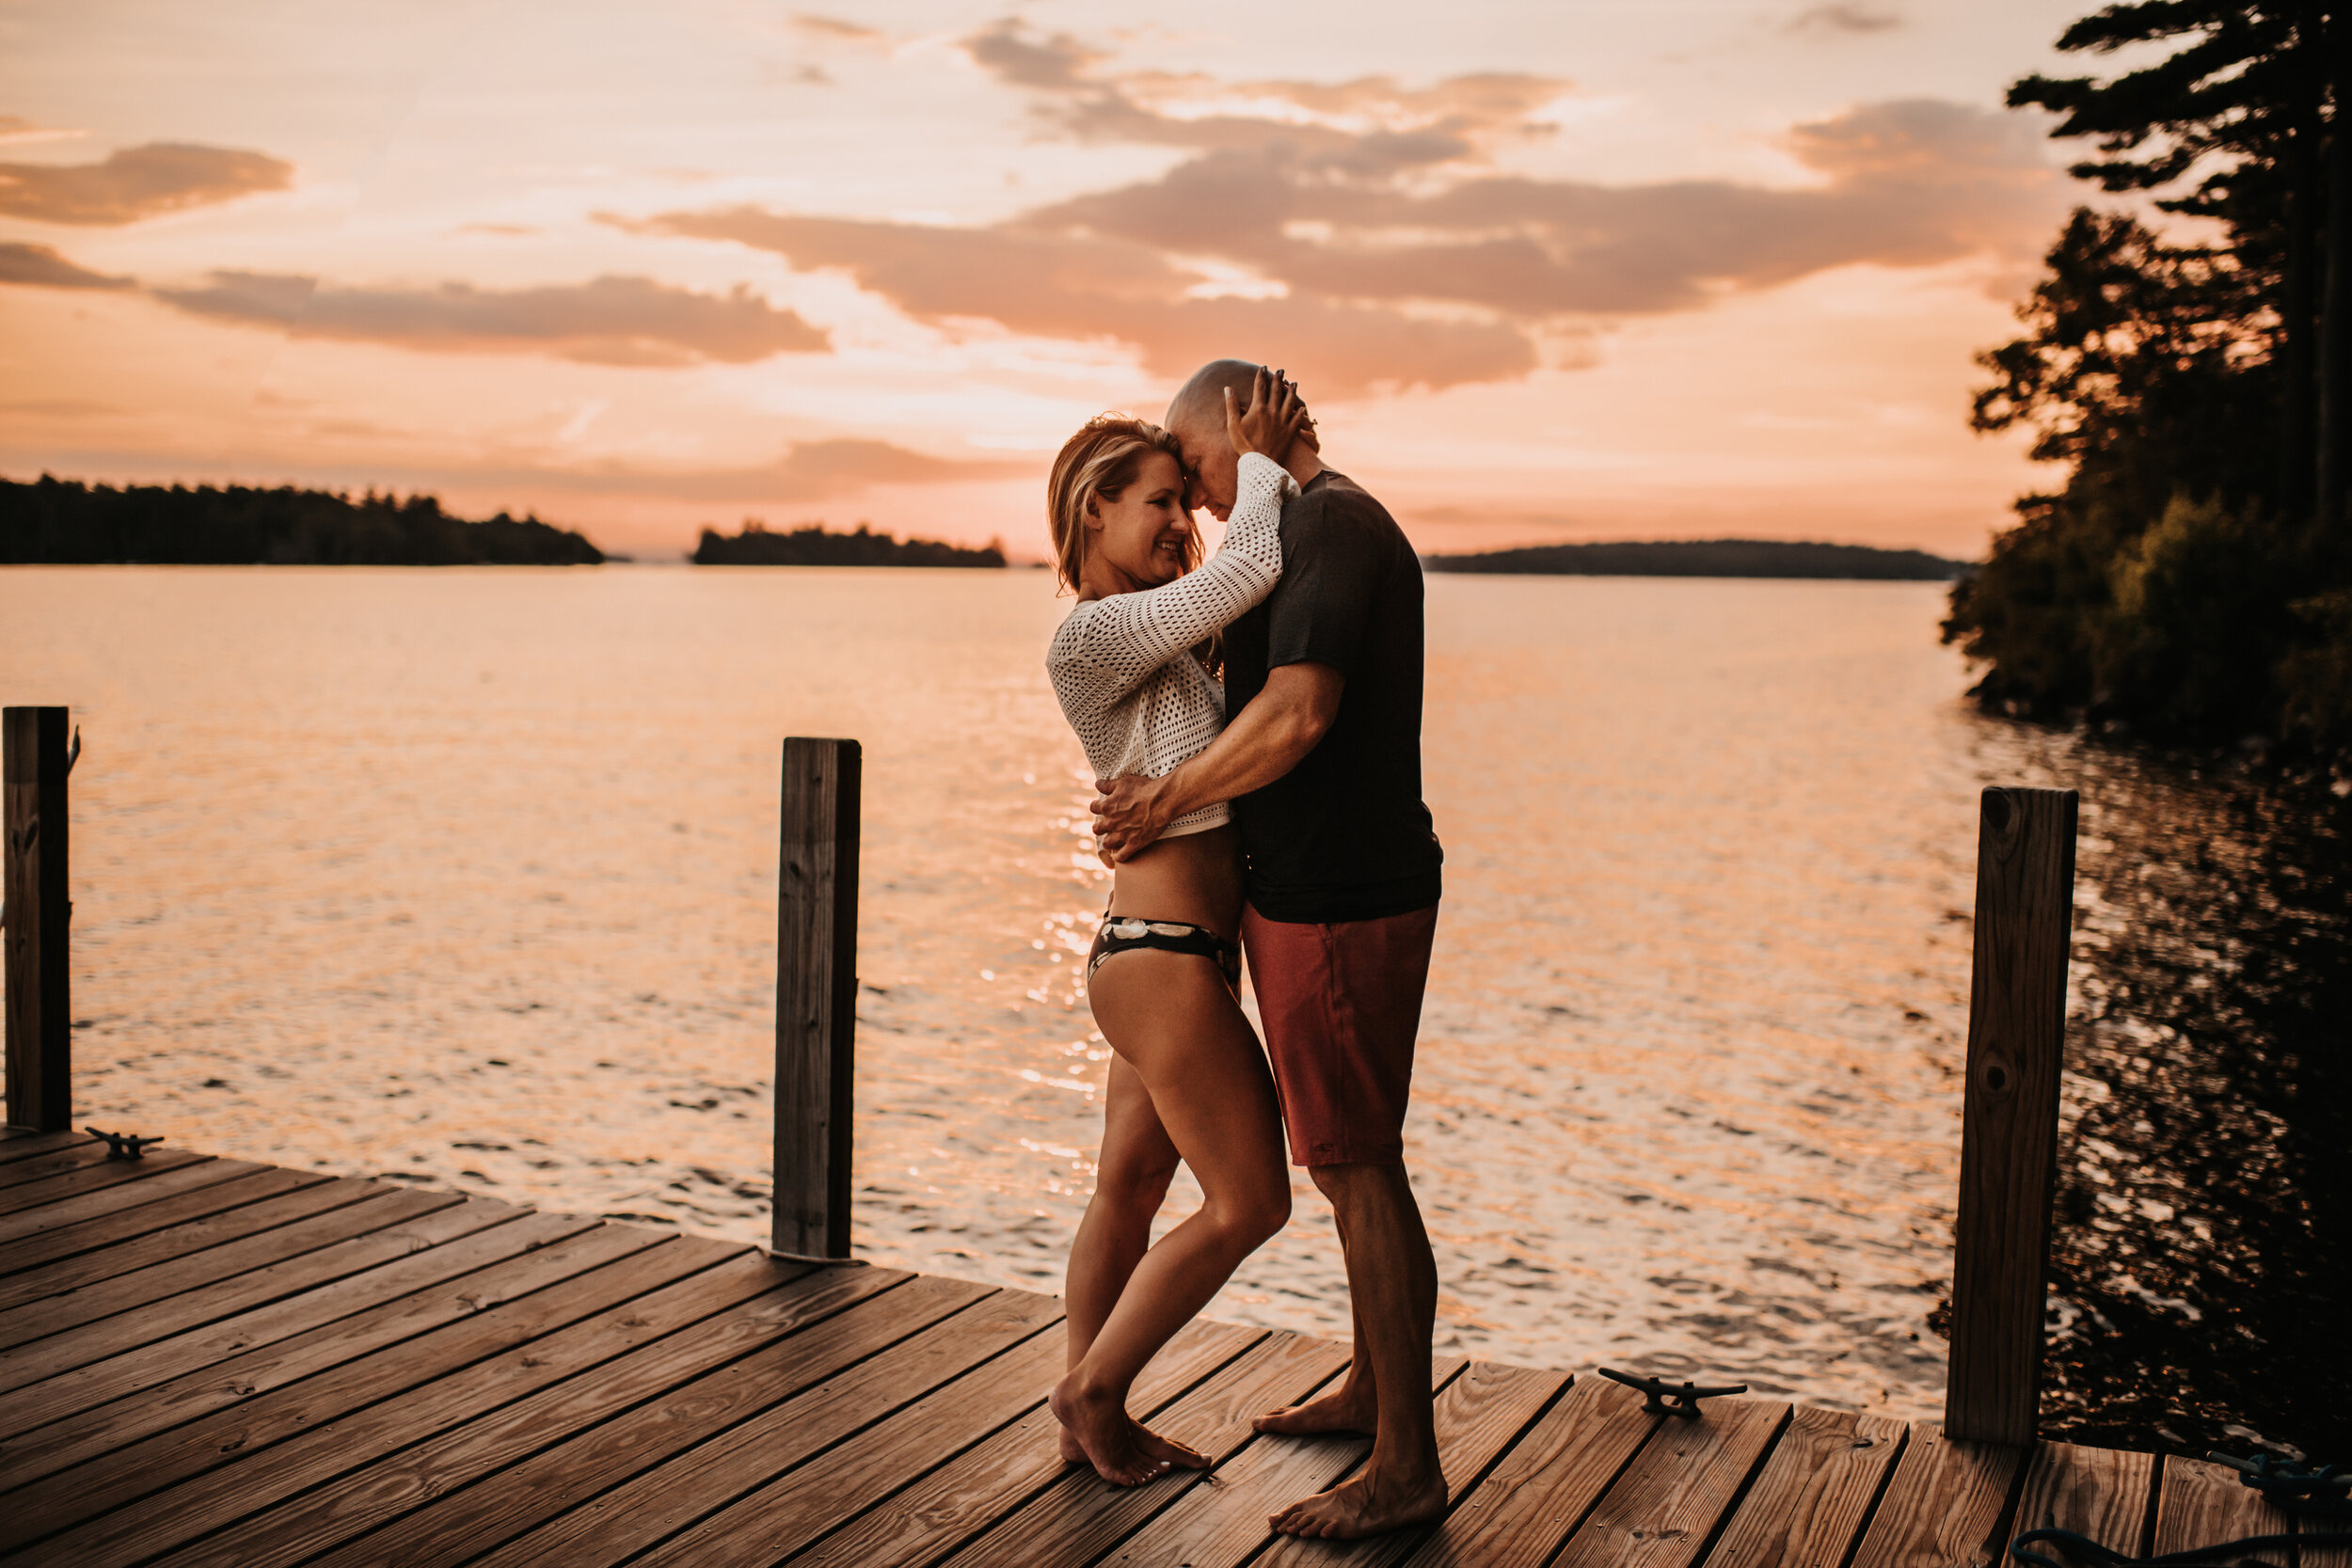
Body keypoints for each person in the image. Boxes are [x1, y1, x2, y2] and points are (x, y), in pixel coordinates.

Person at [1089, 358, 1448, 1540]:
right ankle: (1368, 1387)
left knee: (1353, 1168)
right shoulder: (1295, 535)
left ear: (1239, 434)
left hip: (1338, 903)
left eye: (1192, 473)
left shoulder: (1331, 524)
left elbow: (1296, 714)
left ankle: (1404, 1469)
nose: (1197, 506)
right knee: (1344, 1164)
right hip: (1295, 905)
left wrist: (1163, 797)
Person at [1042, 370, 1319, 1486]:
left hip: (1161, 956)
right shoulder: (1091, 638)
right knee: (1252, 1199)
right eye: (1157, 500)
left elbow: (1246, 590)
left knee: (1130, 1190)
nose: (1181, 522)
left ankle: (1081, 1402)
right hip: (1160, 962)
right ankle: (1094, 1389)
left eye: (1184, 501)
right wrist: (1258, 459)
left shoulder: (1154, 642)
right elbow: (1250, 562)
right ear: (1091, 511)